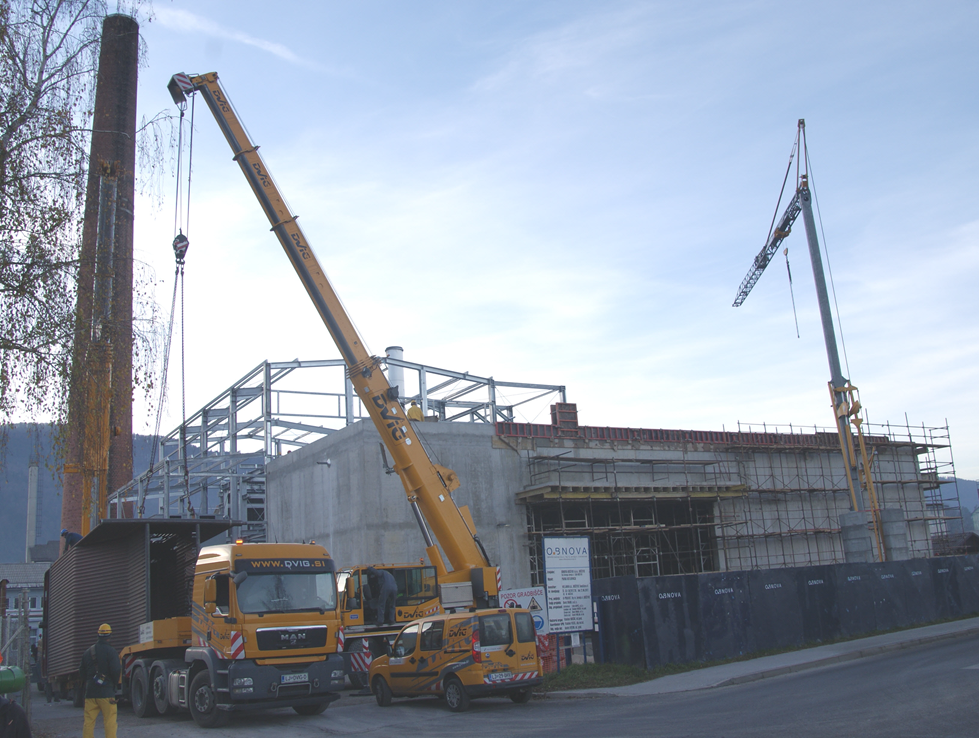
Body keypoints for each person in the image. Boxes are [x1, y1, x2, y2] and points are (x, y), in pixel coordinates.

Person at [79, 624, 120, 738]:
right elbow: (116, 670)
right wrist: (114, 684)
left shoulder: (87, 652)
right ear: (109, 636)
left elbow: (81, 671)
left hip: (90, 693)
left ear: (98, 635)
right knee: (110, 721)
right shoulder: (111, 652)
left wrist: (89, 682)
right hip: (107, 694)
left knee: (89, 722)